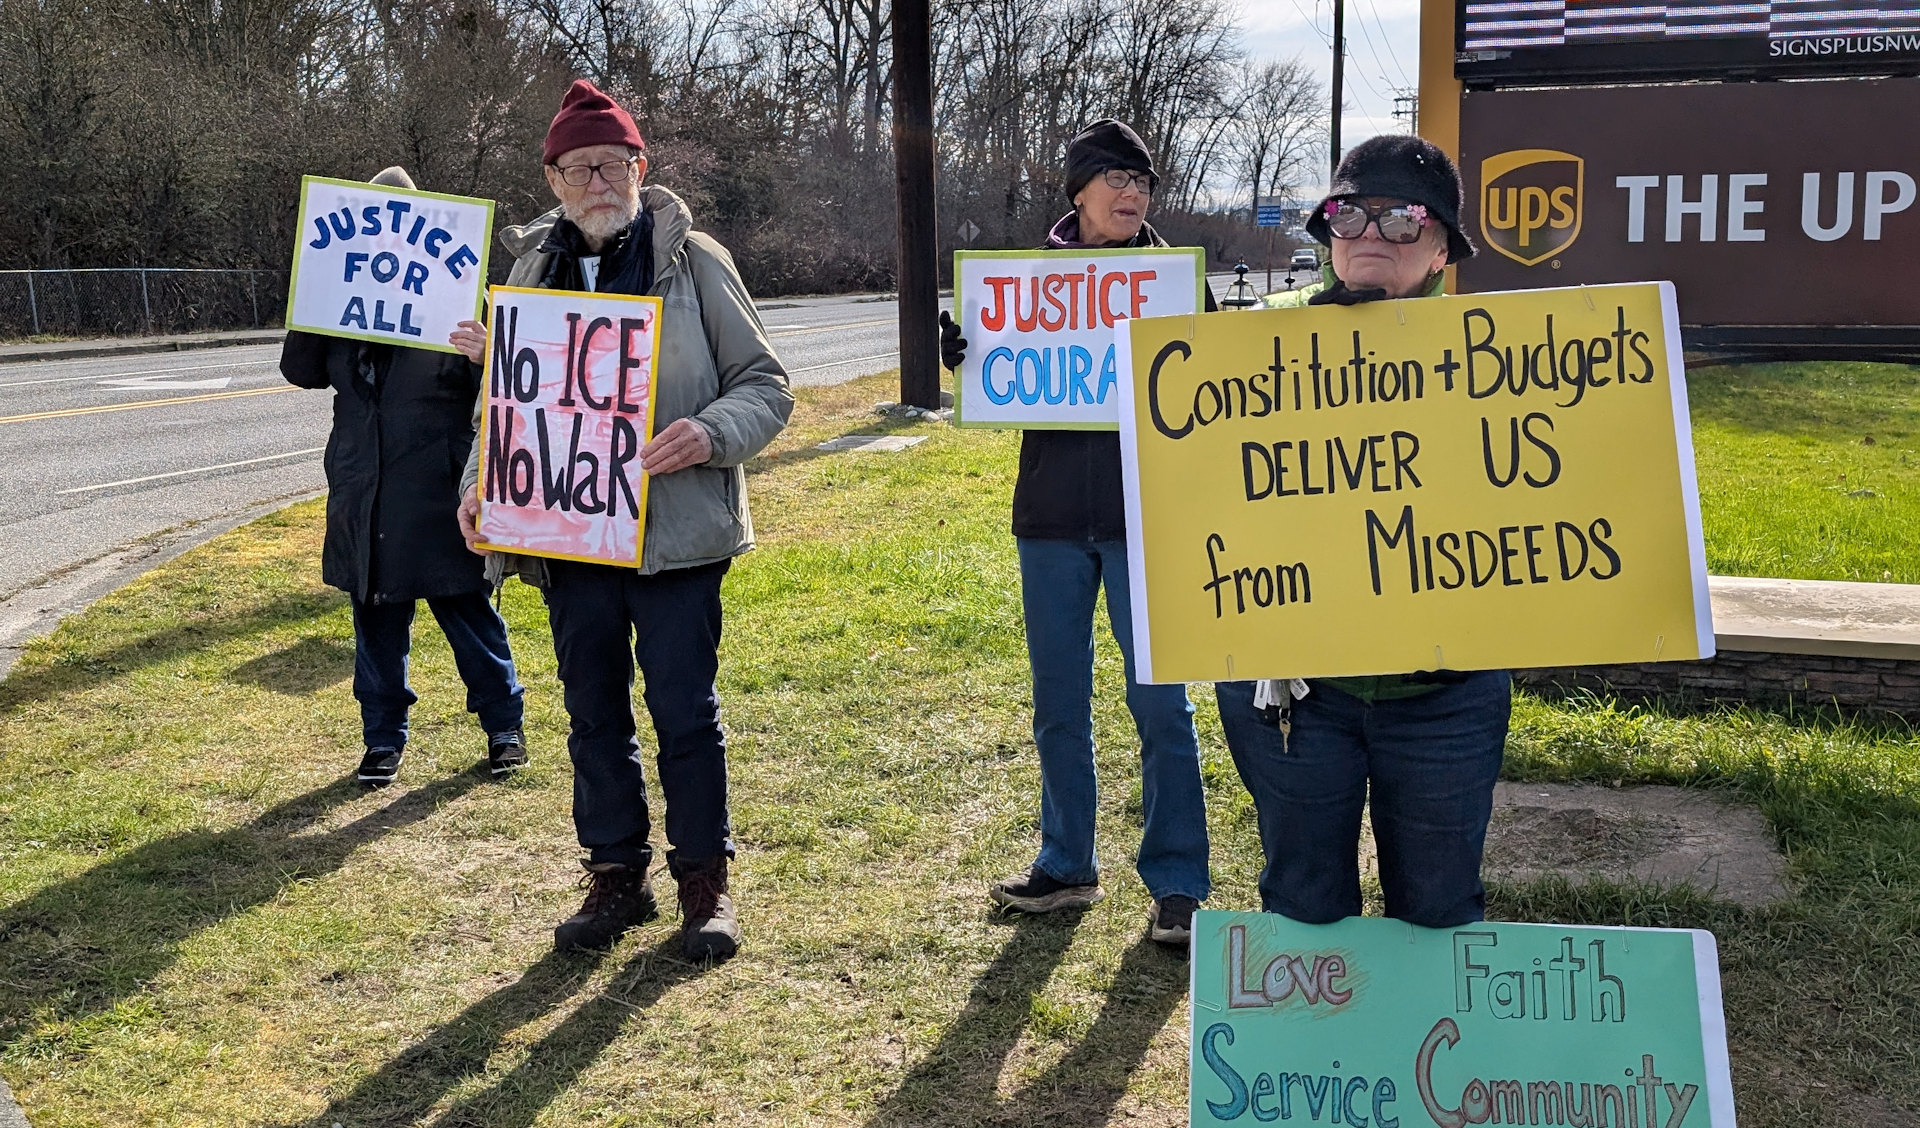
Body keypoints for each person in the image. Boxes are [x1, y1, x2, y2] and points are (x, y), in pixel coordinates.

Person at [451, 80, 793, 961]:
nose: (599, 179)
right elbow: (510, 404)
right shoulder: (528, 273)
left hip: (676, 537)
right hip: (572, 538)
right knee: (592, 711)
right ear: (555, 181)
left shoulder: (696, 261)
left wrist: (708, 432)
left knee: (684, 710)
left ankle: (704, 887)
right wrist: (480, 488)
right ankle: (615, 877)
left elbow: (767, 386)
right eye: (578, 167)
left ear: (640, 167)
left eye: (613, 162)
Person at [939, 119, 1216, 949]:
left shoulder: (1174, 282)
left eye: (1144, 183)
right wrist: (970, 353)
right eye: (1117, 180)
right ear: (1079, 191)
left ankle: (1177, 882)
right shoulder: (1025, 286)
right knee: (1058, 703)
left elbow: (1210, 394)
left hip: (1147, 520)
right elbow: (1004, 372)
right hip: (1050, 520)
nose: (1133, 195)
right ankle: (1066, 863)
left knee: (1161, 702)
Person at [1221, 134, 1509, 930]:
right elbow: (1155, 425)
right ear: (1326, 234)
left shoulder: (1502, 359)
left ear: (1443, 247)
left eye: (1402, 218)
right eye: (1351, 215)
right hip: (1298, 696)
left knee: (1438, 913)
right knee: (1303, 907)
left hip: (1445, 697)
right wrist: (986, 357)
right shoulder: (1251, 339)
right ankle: (1315, 1060)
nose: (1371, 234)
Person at [279, 165, 527, 788]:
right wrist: (312, 303)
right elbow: (301, 371)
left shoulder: (461, 296)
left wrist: (486, 349)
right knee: (376, 624)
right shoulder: (338, 298)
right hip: (364, 490)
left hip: (437, 491)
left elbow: (509, 387)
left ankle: (504, 728)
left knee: (468, 614)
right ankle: (382, 740)